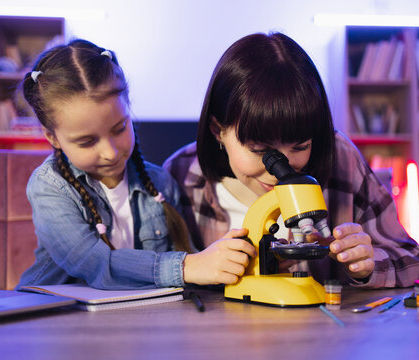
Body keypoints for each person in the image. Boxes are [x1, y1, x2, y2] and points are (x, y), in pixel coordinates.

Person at [164, 32, 419, 288]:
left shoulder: (341, 158)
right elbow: (147, 276)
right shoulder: (180, 175)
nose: (281, 170)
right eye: (261, 150)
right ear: (218, 131)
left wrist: (369, 264)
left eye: (300, 146)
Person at [16, 39, 255, 290]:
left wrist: (236, 266)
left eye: (119, 128)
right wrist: (187, 266)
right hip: (53, 316)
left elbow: (192, 265)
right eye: (87, 141)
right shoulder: (49, 188)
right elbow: (95, 264)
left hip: (136, 317)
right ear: (52, 137)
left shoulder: (160, 182)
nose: (110, 152)